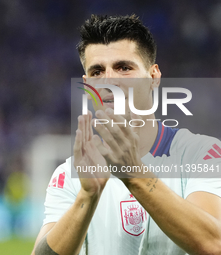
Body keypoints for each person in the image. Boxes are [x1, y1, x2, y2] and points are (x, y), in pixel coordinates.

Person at [31, 14, 221, 255]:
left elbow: (214, 245)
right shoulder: (70, 174)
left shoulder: (201, 153)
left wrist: (134, 174)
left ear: (153, 77)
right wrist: (87, 197)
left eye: (124, 68)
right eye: (97, 72)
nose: (109, 81)